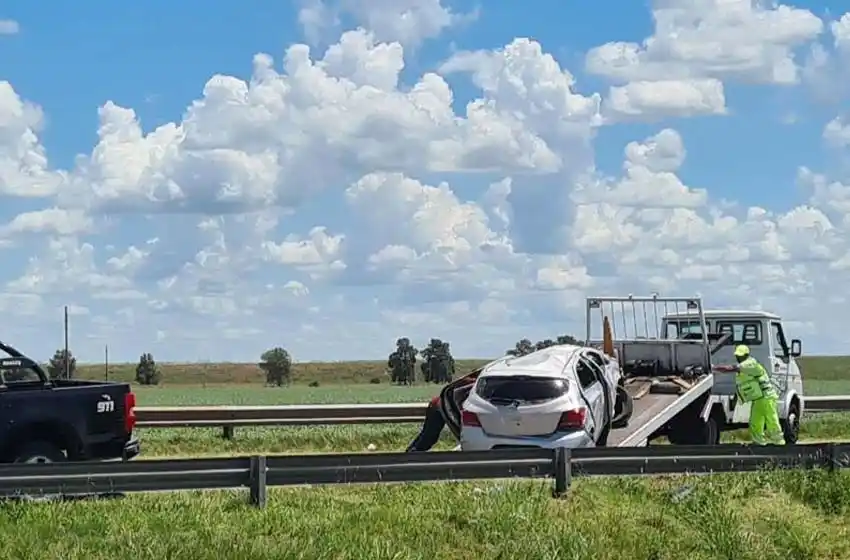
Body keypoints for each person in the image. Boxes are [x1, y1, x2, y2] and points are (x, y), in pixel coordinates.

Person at [406, 370, 480, 452]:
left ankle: (409, 455)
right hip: (445, 404)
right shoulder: (475, 384)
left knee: (426, 439)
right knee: (427, 439)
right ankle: (409, 456)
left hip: (442, 402)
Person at [732, 344, 785, 445]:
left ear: (746, 355)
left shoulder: (750, 363)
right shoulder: (745, 366)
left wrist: (715, 368)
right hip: (758, 398)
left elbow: (733, 368)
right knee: (755, 421)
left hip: (767, 396)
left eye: (740, 356)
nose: (738, 358)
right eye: (737, 356)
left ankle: (779, 442)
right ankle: (758, 442)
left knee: (771, 419)